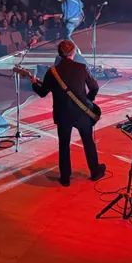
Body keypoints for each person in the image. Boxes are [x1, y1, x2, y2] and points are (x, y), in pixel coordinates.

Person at [28, 39, 105, 187]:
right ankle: (95, 172)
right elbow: (94, 87)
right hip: (81, 113)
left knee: (64, 145)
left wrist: (33, 83)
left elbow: (43, 92)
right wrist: (87, 102)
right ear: (73, 52)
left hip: (62, 114)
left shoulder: (52, 72)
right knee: (88, 141)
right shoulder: (81, 68)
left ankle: (65, 178)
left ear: (59, 53)